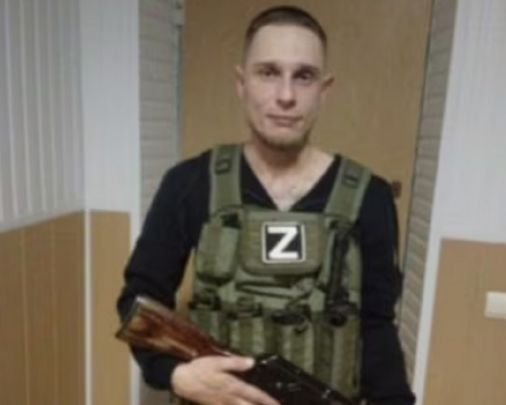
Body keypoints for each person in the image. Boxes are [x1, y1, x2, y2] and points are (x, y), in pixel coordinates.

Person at [117, 5, 415, 405]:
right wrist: (176, 374)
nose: (286, 96)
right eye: (268, 72)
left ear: (324, 90)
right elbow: (140, 300)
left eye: (304, 76)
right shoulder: (189, 184)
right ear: (242, 83)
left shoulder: (370, 197)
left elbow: (377, 327)